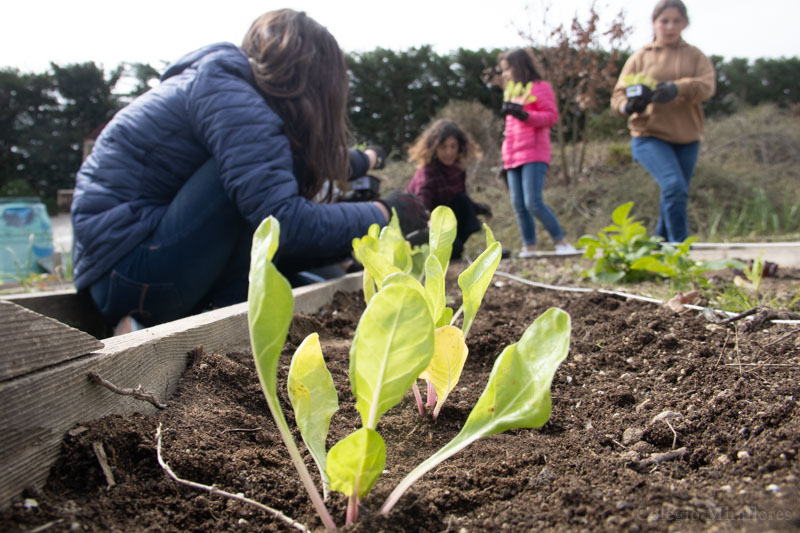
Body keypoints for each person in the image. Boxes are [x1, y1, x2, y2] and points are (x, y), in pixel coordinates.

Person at [70, 9, 426, 334]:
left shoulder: (235, 93)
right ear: (315, 79)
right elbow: (283, 219)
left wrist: (365, 160)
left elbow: (290, 157)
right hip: (132, 275)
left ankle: (215, 303)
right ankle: (167, 320)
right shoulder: (231, 93)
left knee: (281, 220)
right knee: (254, 195)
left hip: (133, 271)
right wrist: (384, 213)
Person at [611, 0, 715, 243]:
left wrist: (677, 88)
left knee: (674, 194)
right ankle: (681, 252)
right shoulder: (640, 57)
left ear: (685, 24)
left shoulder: (695, 56)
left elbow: (707, 87)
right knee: (674, 187)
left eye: (676, 21)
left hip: (687, 137)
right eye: (664, 21)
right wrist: (628, 105)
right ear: (654, 23)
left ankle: (659, 248)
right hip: (649, 135)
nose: (669, 26)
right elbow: (617, 96)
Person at [497, 49, 576, 258]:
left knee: (533, 201)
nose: (504, 74)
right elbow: (510, 129)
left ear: (520, 66)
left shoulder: (540, 87)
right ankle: (529, 247)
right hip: (512, 156)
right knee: (519, 204)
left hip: (534, 152)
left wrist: (525, 115)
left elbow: (551, 116)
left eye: (507, 69)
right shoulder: (512, 91)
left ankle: (562, 242)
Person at [405, 118, 493, 260]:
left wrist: (481, 209)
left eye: (453, 146)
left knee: (463, 201)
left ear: (460, 147)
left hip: (447, 223)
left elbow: (460, 200)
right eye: (443, 147)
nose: (449, 152)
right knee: (453, 247)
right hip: (423, 226)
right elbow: (421, 202)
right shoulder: (427, 173)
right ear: (434, 149)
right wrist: (429, 220)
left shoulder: (458, 171)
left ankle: (453, 249)